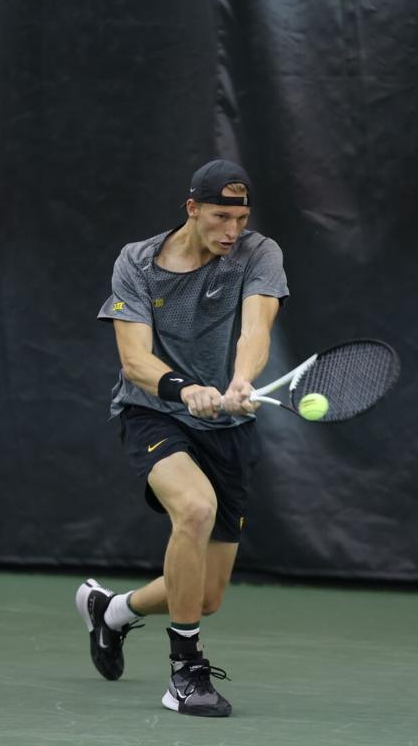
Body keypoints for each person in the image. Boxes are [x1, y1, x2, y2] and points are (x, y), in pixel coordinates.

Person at [76, 158, 289, 717]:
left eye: (240, 219)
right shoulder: (137, 261)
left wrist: (241, 380)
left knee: (206, 596)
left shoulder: (259, 253)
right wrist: (184, 388)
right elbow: (134, 360)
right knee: (194, 508)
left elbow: (256, 328)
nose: (232, 231)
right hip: (154, 413)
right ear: (192, 209)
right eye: (220, 217)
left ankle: (112, 611)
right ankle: (185, 672)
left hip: (228, 427)